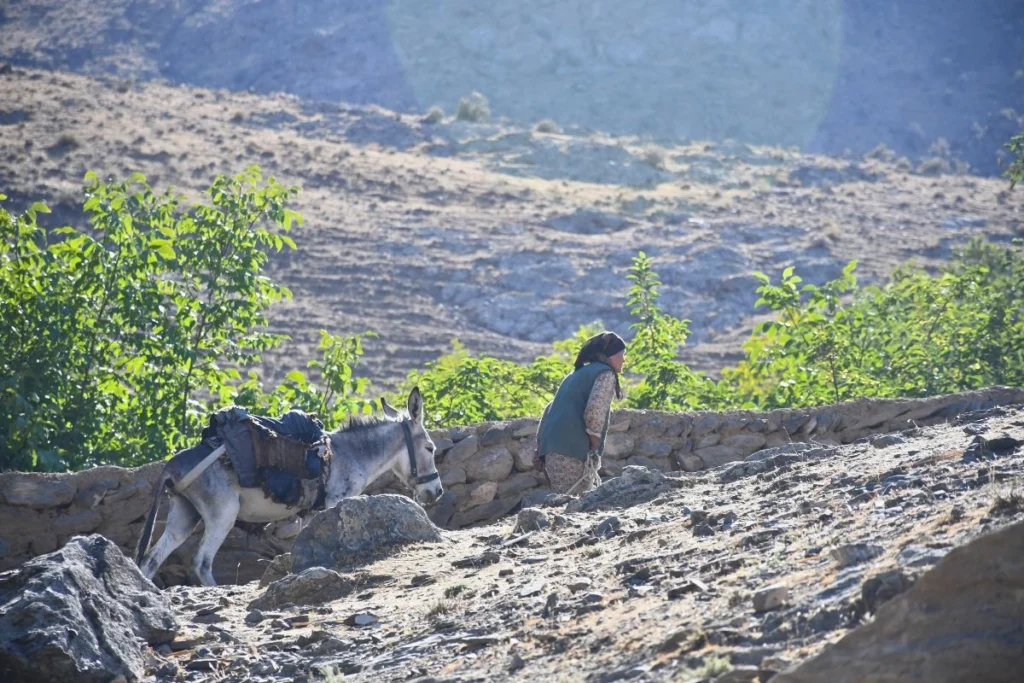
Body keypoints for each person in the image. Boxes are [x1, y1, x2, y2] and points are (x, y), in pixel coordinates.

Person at [535, 331, 625, 495]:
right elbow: (594, 411)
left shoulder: (576, 374)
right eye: (622, 354)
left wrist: (540, 448)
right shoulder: (605, 374)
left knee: (562, 501)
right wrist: (594, 441)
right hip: (573, 452)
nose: (624, 359)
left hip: (551, 451)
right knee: (572, 505)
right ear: (611, 355)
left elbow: (549, 409)